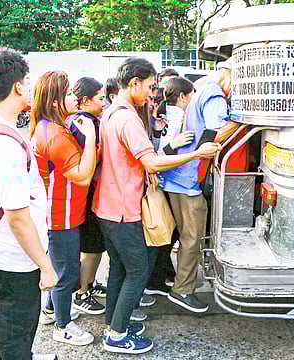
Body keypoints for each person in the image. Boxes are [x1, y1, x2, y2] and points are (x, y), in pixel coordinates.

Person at [93, 57, 221, 354]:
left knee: (120, 271)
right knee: (137, 270)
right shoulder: (127, 118)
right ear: (134, 83)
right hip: (123, 209)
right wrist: (195, 154)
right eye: (150, 86)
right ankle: (116, 334)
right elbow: (151, 161)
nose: (153, 93)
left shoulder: (112, 112)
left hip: (108, 206)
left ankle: (116, 321)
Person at [0, 47, 58, 360]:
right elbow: (17, 217)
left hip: (6, 252)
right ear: (19, 86)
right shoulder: (4, 144)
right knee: (16, 330)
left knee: (17, 324)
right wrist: (46, 266)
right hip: (14, 258)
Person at [162, 60, 244, 314]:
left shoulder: (202, 90)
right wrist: (244, 122)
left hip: (176, 178)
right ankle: (183, 290)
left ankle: (171, 282)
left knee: (182, 236)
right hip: (187, 182)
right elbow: (216, 130)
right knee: (191, 239)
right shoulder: (214, 93)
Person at [30, 71, 95, 346]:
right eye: (69, 94)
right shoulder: (56, 135)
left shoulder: (48, 126)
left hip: (59, 212)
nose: (74, 99)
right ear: (55, 101)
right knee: (66, 273)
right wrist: (91, 136)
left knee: (60, 266)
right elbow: (82, 175)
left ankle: (51, 309)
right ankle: (63, 325)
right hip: (61, 215)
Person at [147, 77, 196, 296]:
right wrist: (174, 146)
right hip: (165, 181)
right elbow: (158, 153)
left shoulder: (167, 117)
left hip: (162, 181)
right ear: (184, 97)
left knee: (165, 234)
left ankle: (158, 277)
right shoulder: (179, 118)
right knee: (166, 235)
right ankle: (155, 280)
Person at [67, 77, 107, 315]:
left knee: (95, 247)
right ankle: (81, 293)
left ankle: (89, 284)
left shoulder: (86, 120)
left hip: (90, 194)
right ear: (85, 100)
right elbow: (91, 161)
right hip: (87, 195)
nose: (104, 103)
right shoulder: (83, 123)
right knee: (90, 248)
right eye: (100, 98)